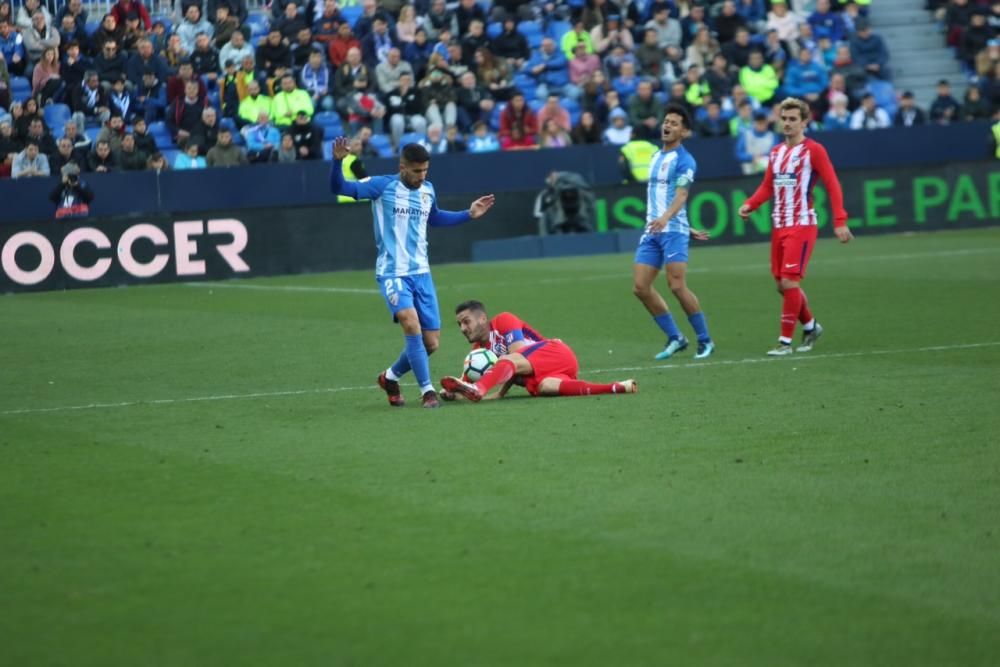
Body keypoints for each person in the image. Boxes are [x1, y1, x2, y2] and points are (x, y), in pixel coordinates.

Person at [329, 138, 495, 408]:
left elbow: (435, 217)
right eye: (417, 171)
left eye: (425, 170)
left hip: (422, 274)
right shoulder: (381, 186)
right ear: (402, 167)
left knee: (430, 344)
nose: (422, 176)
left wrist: (469, 214)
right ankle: (427, 391)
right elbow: (339, 187)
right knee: (410, 323)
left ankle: (390, 377)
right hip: (393, 273)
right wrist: (337, 162)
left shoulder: (428, 189)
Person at [738, 97, 853, 356]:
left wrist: (840, 221)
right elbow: (768, 186)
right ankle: (811, 326)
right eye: (784, 118)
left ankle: (785, 342)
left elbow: (833, 184)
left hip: (801, 224)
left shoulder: (814, 150)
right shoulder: (777, 152)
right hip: (779, 225)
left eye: (793, 119)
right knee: (781, 285)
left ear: (804, 122)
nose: (787, 123)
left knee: (790, 282)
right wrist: (750, 205)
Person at [630, 104, 715, 361]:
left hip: (672, 231)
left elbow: (681, 194)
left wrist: (671, 221)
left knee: (677, 286)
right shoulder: (656, 156)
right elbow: (659, 197)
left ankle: (705, 340)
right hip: (653, 230)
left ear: (685, 132)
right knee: (640, 287)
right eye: (666, 121)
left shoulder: (685, 160)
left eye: (674, 123)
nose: (667, 126)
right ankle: (676, 337)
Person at [440, 300, 637, 401]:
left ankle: (480, 389)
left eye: (466, 322)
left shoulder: (503, 321)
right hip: (544, 375)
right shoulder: (477, 352)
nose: (463, 329)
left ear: (482, 318)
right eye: (459, 325)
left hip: (556, 353)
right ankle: (615, 387)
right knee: (546, 387)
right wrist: (453, 393)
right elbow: (462, 383)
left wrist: (490, 391)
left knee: (508, 361)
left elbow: (516, 356)